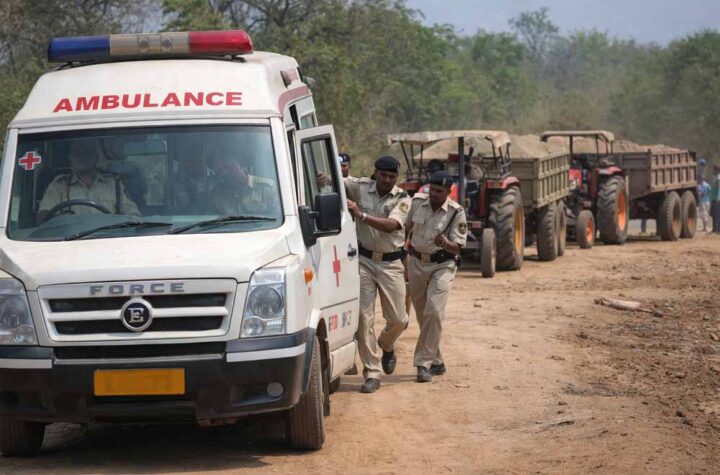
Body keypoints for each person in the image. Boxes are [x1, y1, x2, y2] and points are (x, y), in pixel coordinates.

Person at [344, 156, 411, 393]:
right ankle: (372, 372)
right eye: (383, 175)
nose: (387, 180)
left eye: (392, 176)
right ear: (376, 173)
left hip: (391, 264)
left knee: (399, 319)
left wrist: (360, 215)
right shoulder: (360, 187)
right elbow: (334, 180)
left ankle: (387, 344)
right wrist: (324, 177)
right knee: (364, 318)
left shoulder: (403, 198)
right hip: (364, 261)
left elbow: (391, 226)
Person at [405, 171, 467, 383]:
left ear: (448, 192)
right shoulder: (417, 203)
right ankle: (437, 361)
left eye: (439, 191)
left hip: (442, 265)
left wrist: (445, 243)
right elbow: (405, 228)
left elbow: (457, 247)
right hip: (416, 263)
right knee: (423, 315)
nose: (433, 194)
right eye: (432, 189)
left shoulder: (456, 212)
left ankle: (423, 364)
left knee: (434, 311)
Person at [38, 138, 140, 223]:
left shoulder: (113, 183)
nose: (82, 157)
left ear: (96, 157)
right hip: (71, 239)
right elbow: (43, 216)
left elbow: (132, 214)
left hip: (110, 237)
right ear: (70, 158)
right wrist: (63, 220)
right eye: (77, 153)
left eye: (87, 152)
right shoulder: (59, 185)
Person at [711, 164, 720, 234]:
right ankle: (714, 229)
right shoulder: (715, 177)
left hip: (717, 199)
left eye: (713, 169)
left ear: (716, 170)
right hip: (713, 199)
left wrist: (718, 198)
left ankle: (718, 230)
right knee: (713, 214)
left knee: (717, 215)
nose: (712, 171)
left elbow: (719, 189)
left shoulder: (719, 178)